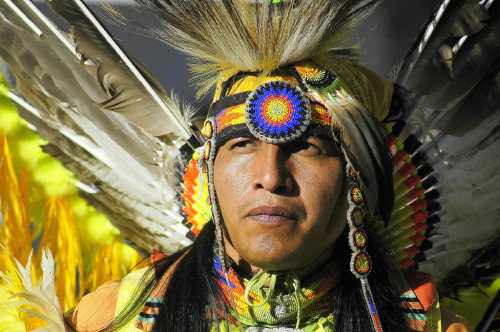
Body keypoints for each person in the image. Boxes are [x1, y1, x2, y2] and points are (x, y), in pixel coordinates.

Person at [66, 1, 472, 331]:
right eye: (242, 144)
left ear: (356, 180)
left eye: (307, 147)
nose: (270, 177)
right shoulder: (116, 318)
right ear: (208, 174)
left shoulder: (425, 324)